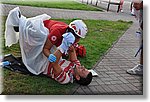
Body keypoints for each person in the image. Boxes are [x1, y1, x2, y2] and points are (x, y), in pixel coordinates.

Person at [5, 7, 92, 85]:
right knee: (42, 36)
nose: (83, 67)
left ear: (77, 77)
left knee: (40, 38)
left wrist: (63, 47)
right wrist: (70, 47)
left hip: (42, 64)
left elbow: (53, 62)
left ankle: (20, 26)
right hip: (50, 47)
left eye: (83, 70)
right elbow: (72, 51)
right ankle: (21, 25)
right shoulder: (76, 66)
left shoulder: (65, 78)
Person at [126, 0, 143, 75]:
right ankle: (142, 66)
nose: (134, 6)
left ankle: (142, 67)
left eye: (136, 4)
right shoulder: (139, 10)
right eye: (133, 3)